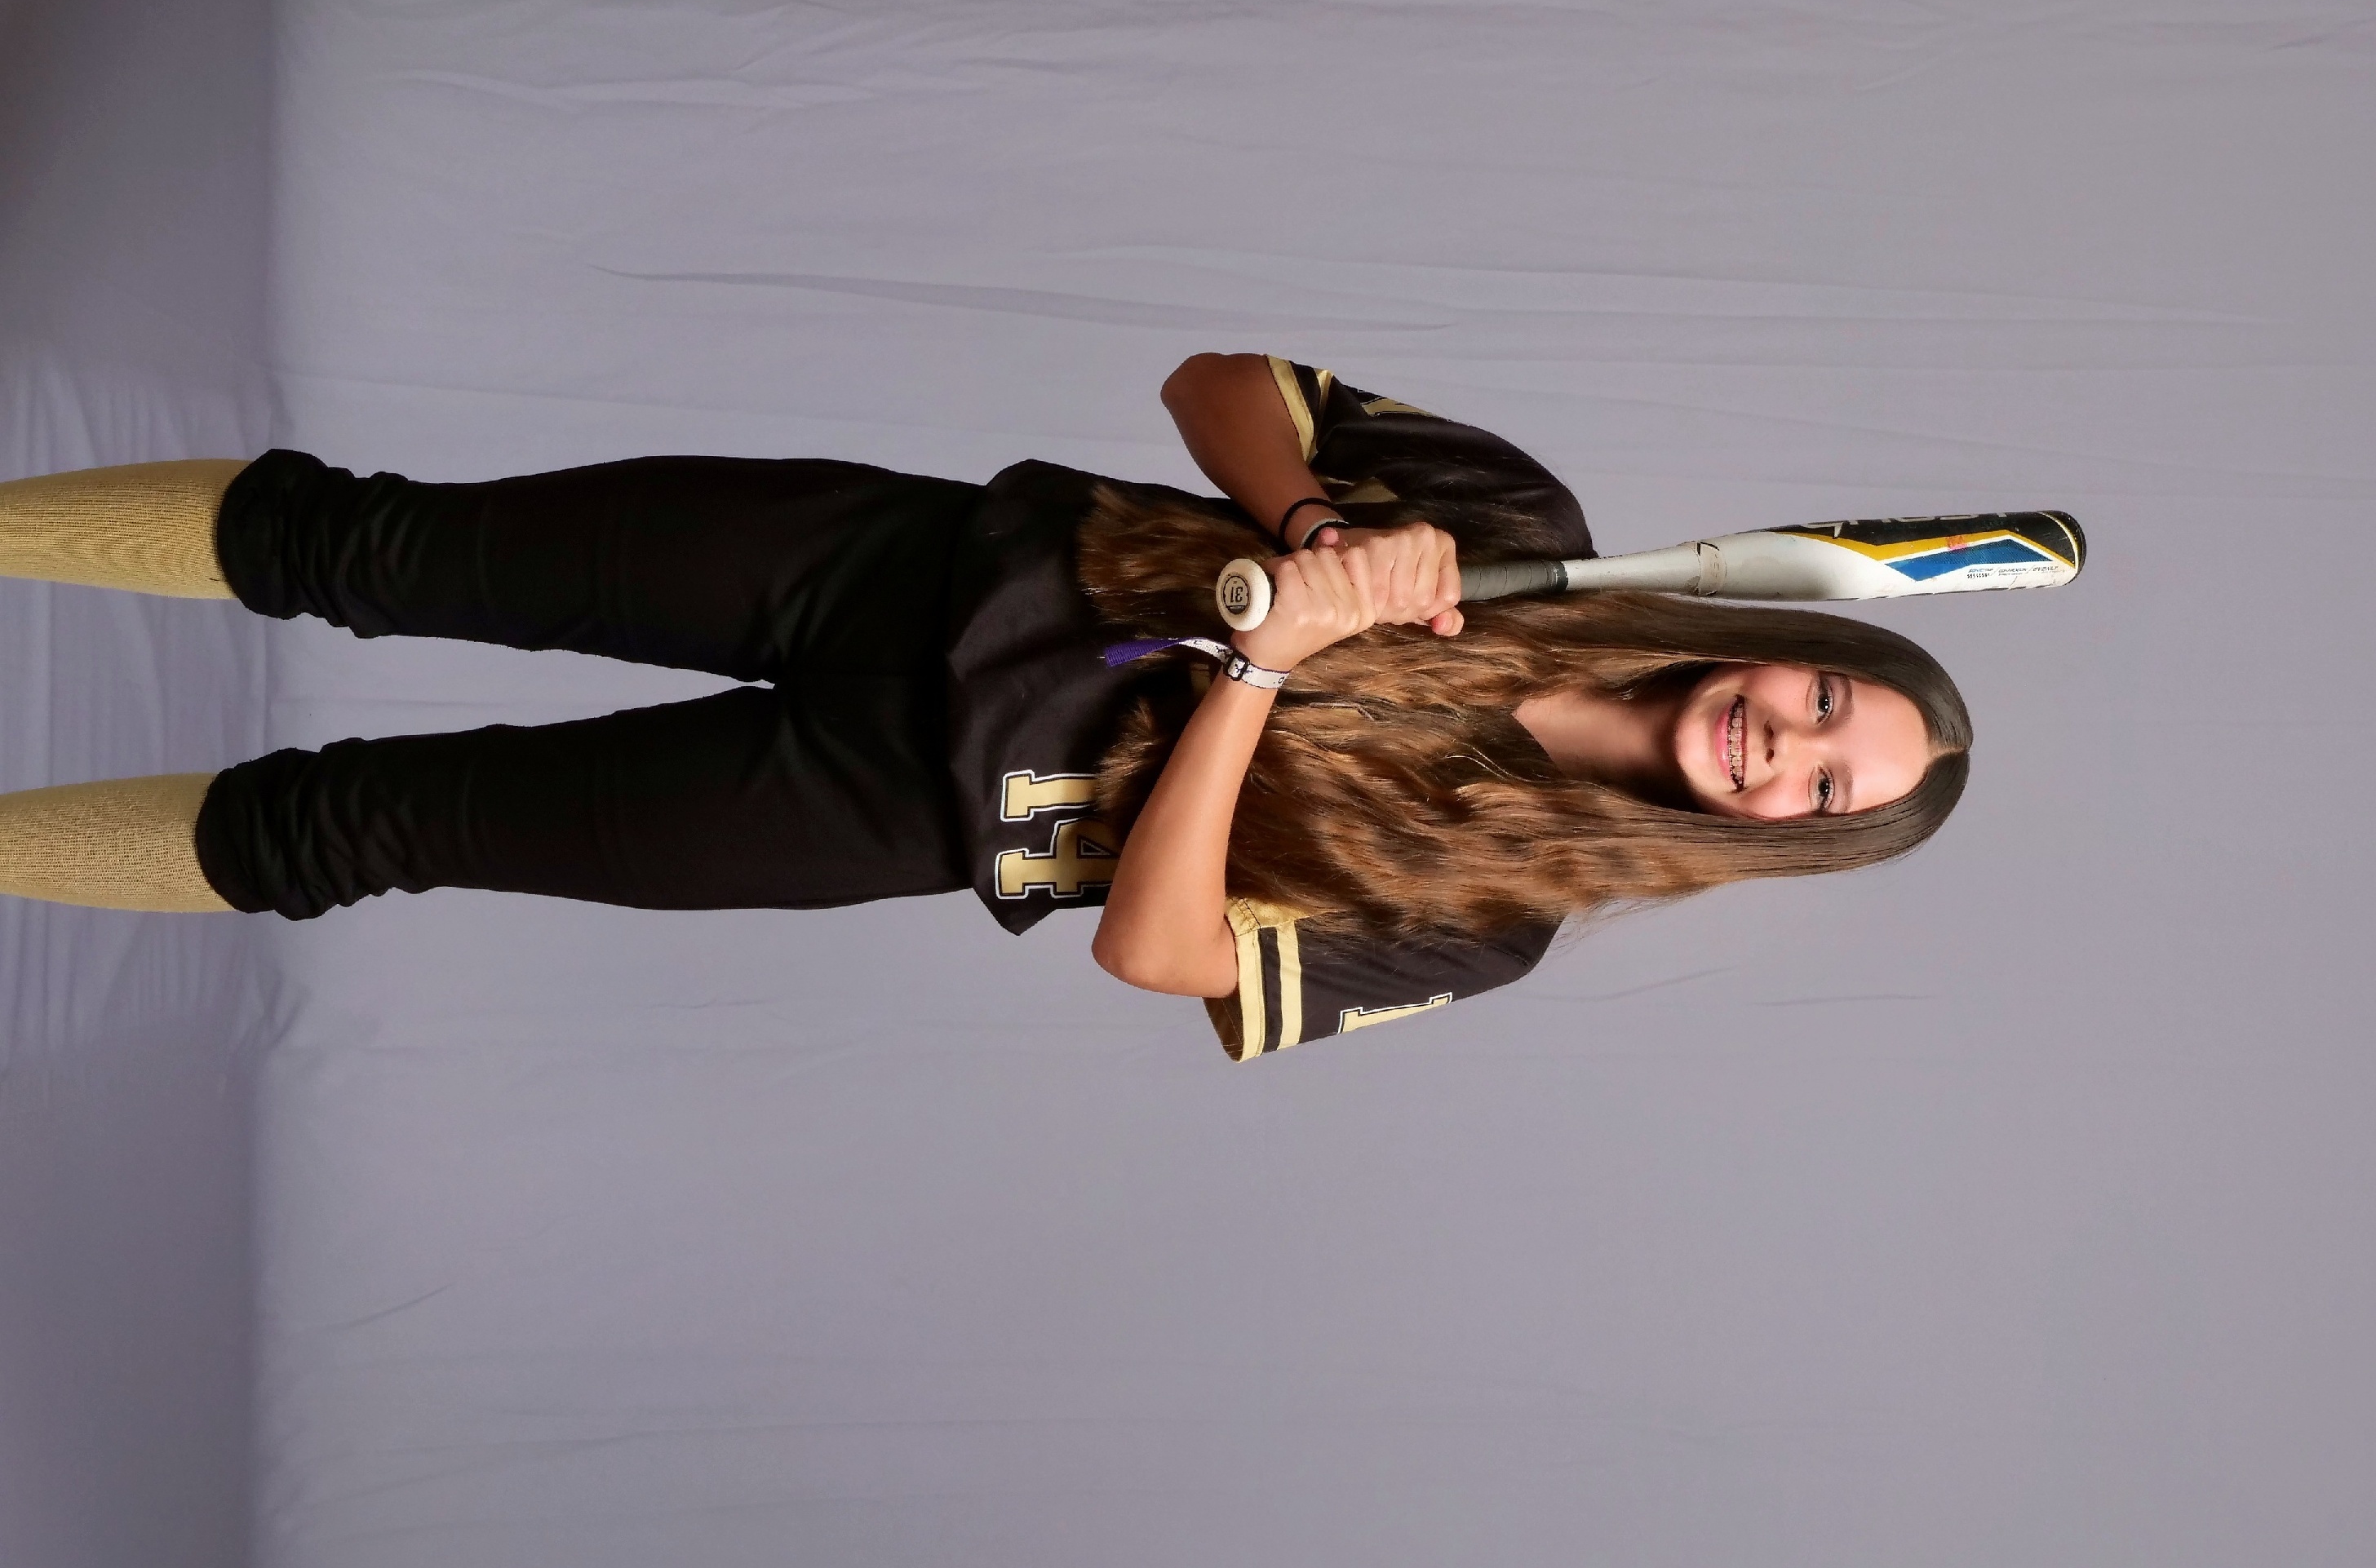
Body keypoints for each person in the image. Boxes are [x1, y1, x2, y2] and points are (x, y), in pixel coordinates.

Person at [0, 356, 1971, 1061]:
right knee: (373, 545)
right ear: (1790, 646)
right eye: (1825, 700)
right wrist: (1313, 522)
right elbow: (1215, 383)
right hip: (910, 566)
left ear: (1783, 839)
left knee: (356, 829)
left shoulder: (1490, 924)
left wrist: (1267, 666)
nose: (1785, 744)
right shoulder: (1518, 528)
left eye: (1822, 788)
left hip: (900, 805)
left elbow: (1159, 950)